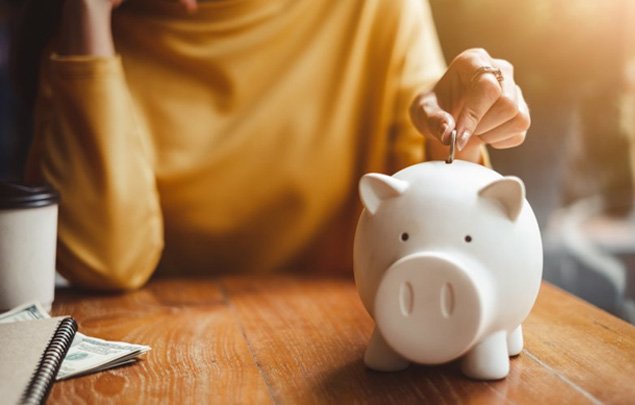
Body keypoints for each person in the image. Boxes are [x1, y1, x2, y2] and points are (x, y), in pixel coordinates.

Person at [20, 0, 530, 290]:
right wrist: (85, 13)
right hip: (165, 349)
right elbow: (104, 261)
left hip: (342, 341)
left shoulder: (372, 9)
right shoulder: (89, 42)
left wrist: (460, 128)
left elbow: (433, 214)